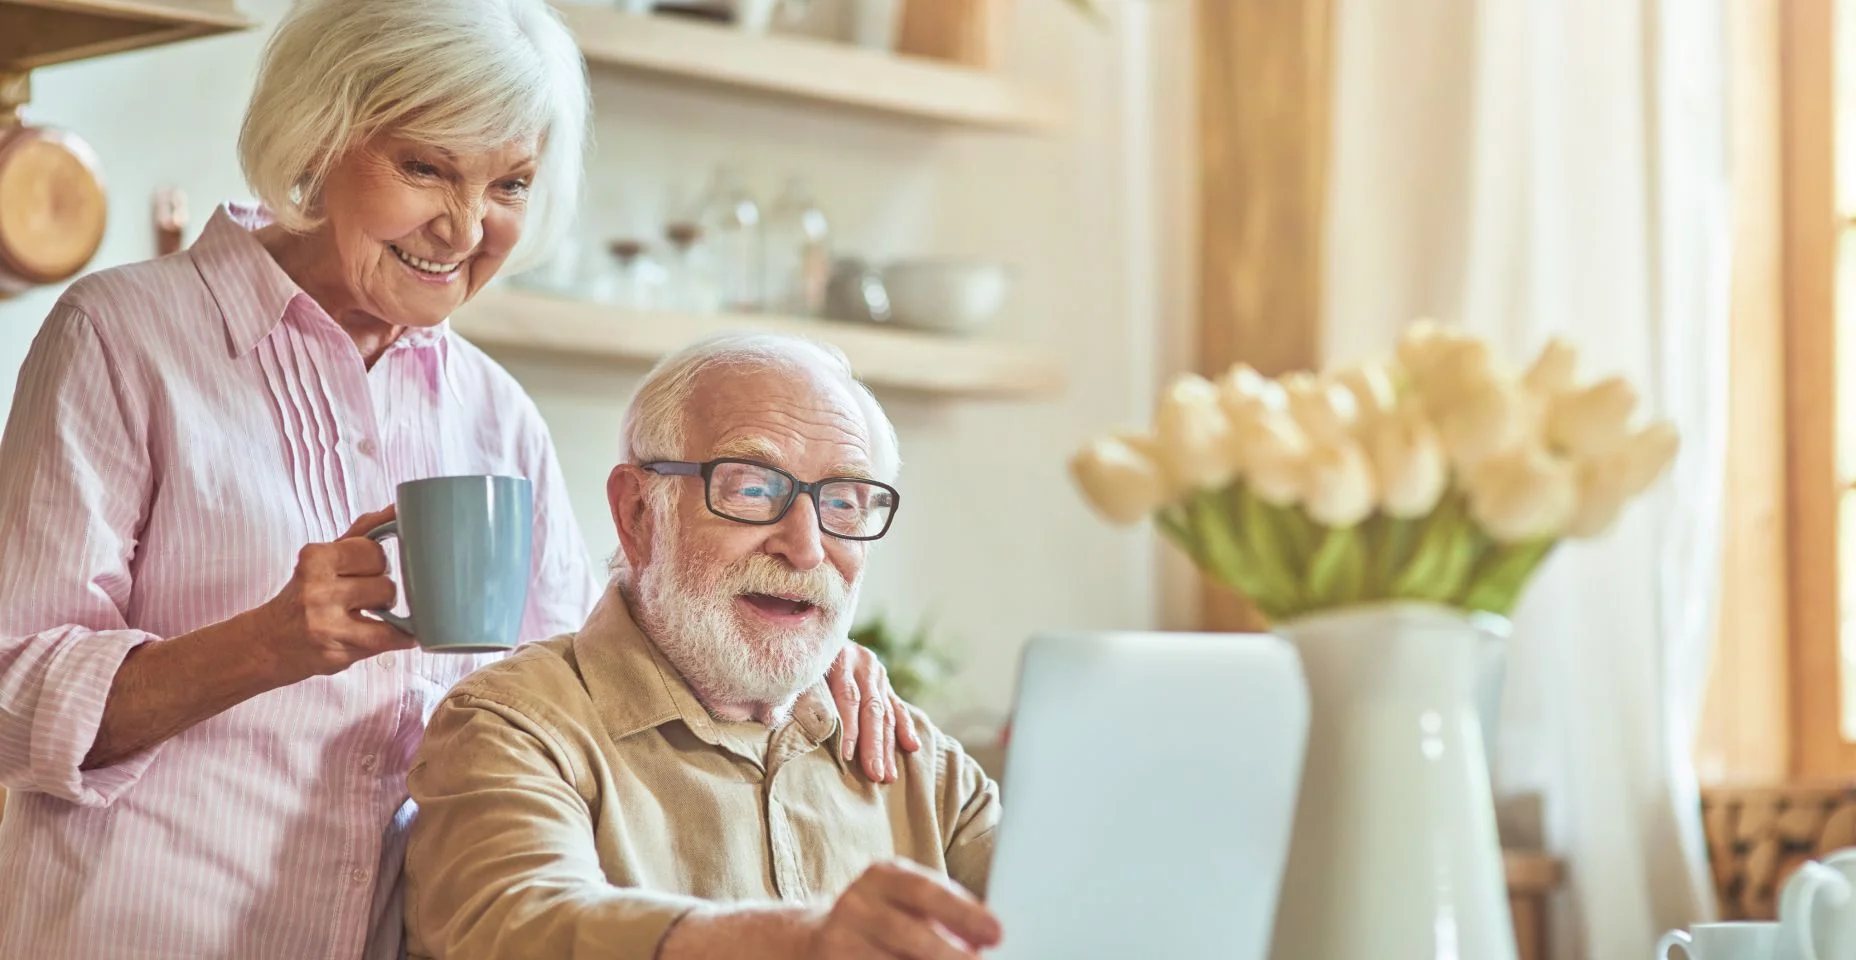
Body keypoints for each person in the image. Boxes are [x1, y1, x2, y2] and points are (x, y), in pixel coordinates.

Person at [0, 2, 915, 957]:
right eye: (425, 168)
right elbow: (8, 692)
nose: (466, 227)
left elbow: (585, 681)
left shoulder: (496, 414)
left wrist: (795, 646)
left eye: (509, 183)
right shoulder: (123, 335)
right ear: (320, 137)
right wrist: (263, 646)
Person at [401, 334, 1004, 960]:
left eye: (843, 502)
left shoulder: (917, 764)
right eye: (751, 489)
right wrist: (794, 944)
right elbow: (520, 926)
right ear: (638, 513)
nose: (805, 547)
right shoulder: (512, 728)